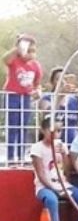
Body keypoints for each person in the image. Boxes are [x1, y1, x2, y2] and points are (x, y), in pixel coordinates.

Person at [3, 34, 42, 162]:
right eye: (27, 50)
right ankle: (10, 156)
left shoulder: (36, 66)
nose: (30, 54)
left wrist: (37, 92)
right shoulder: (15, 61)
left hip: (26, 97)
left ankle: (20, 156)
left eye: (33, 51)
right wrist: (18, 47)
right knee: (12, 126)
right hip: (12, 95)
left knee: (23, 126)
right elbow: (5, 59)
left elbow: (37, 84)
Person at [39, 68, 78, 144]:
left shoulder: (74, 99)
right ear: (52, 82)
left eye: (65, 79)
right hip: (53, 139)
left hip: (72, 139)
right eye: (58, 79)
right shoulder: (47, 97)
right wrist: (60, 96)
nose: (62, 82)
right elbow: (48, 112)